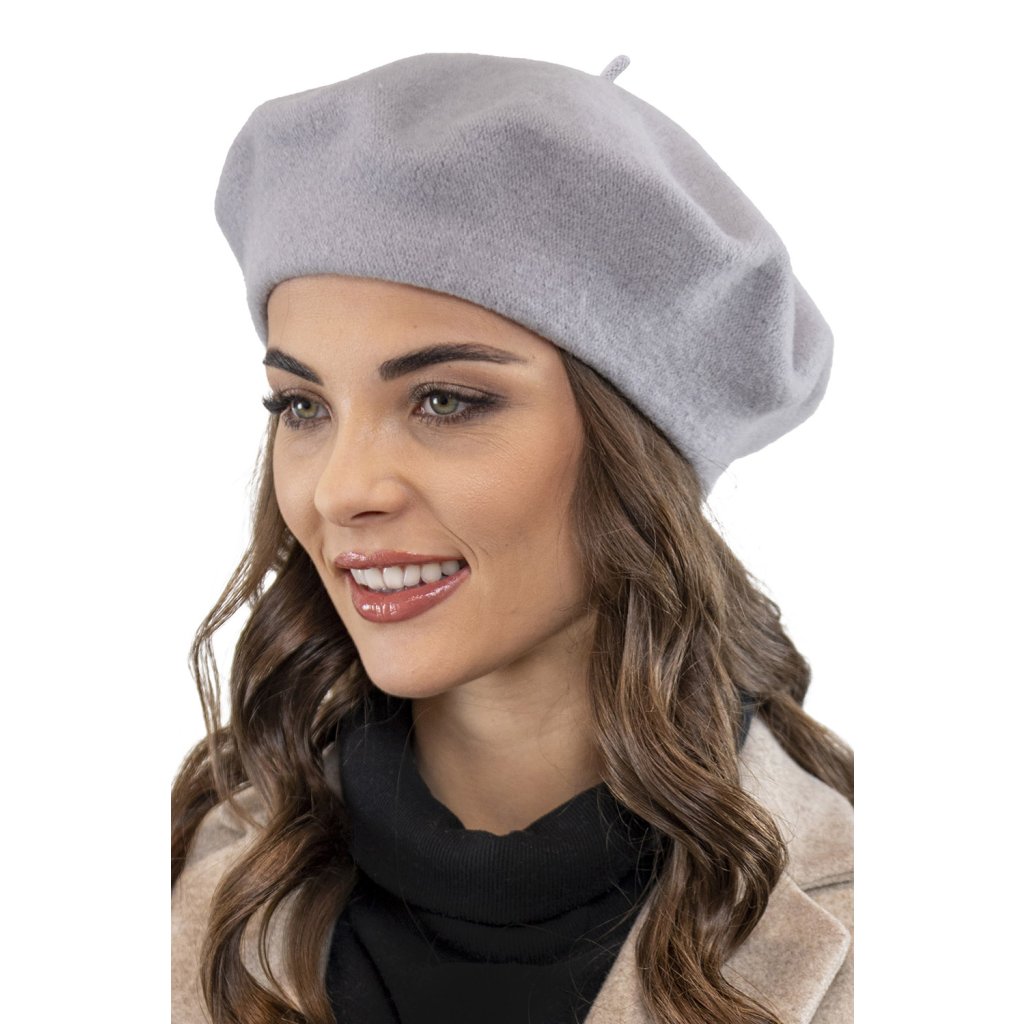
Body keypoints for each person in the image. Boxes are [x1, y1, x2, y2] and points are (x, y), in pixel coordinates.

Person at [171, 52, 853, 1024]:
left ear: (638, 444)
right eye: (302, 405)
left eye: (446, 400)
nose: (341, 490)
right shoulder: (169, 872)